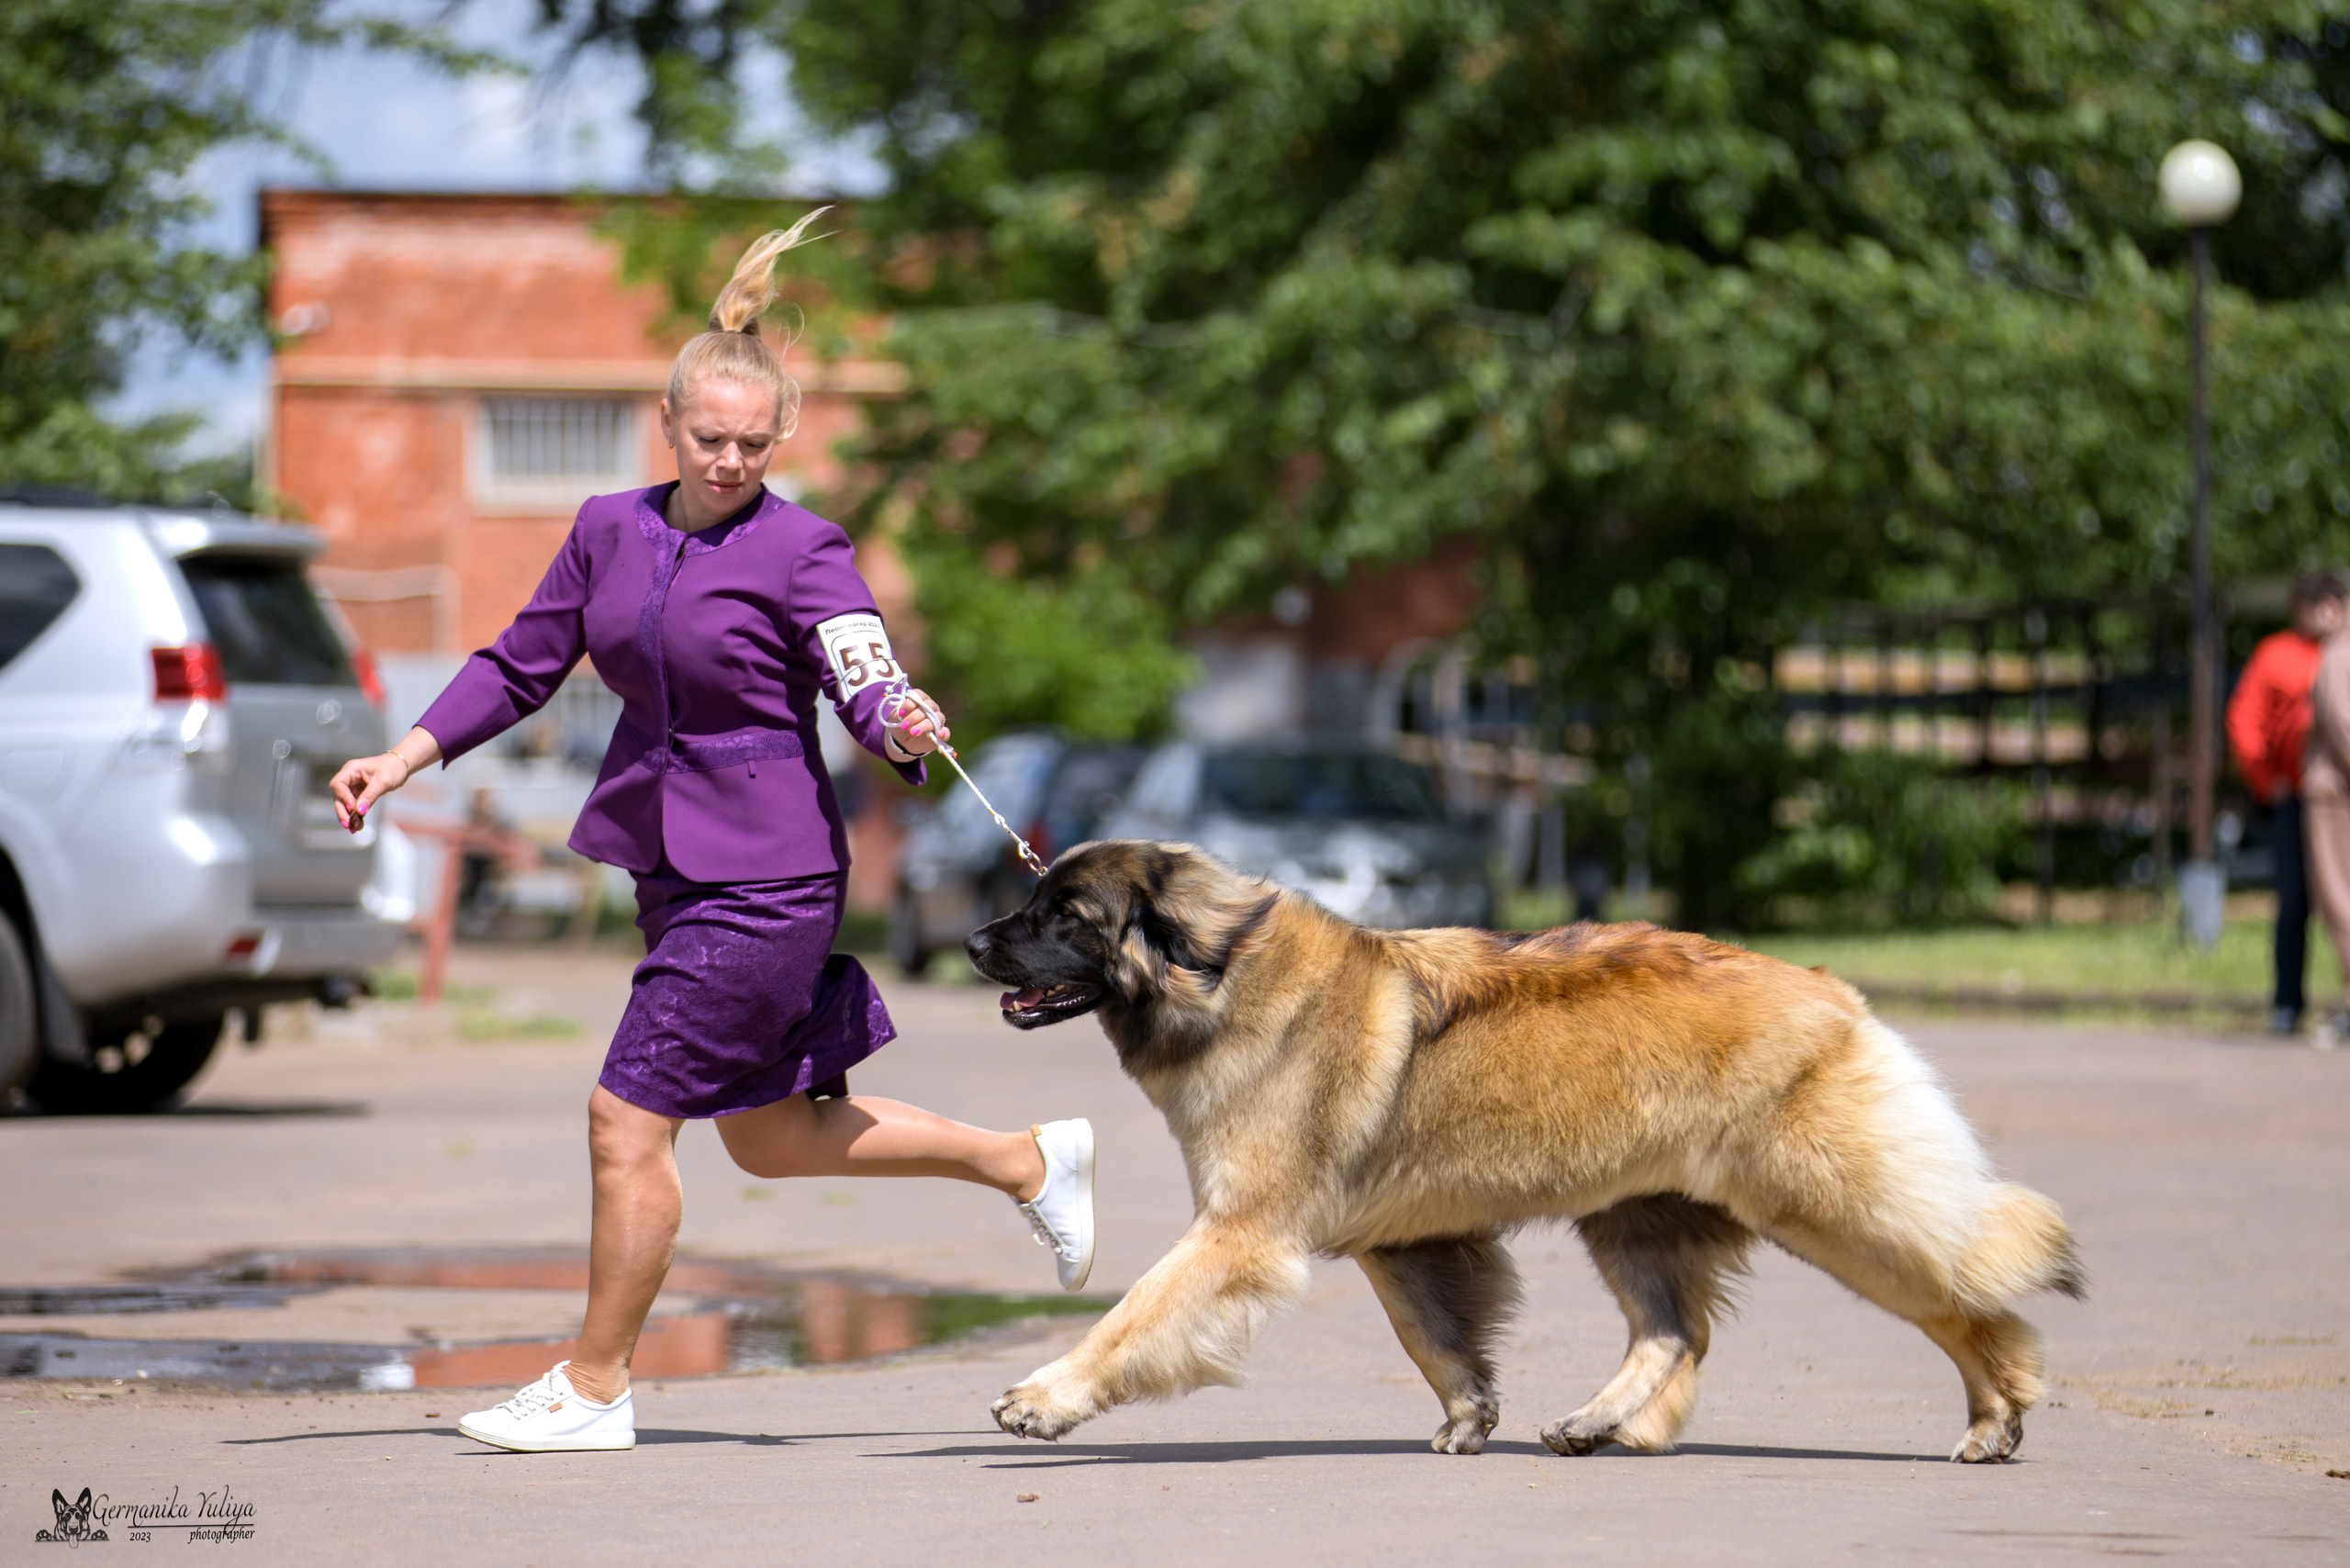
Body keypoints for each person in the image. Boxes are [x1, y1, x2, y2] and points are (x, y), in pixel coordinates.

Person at [329, 214, 1096, 1454]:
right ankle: (1028, 1163)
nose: (731, 460)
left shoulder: (805, 549)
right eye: (709, 438)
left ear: (780, 436)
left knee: (624, 1118)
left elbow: (865, 680)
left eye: (753, 441)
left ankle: (592, 1386)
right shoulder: (604, 529)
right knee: (771, 1136)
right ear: (667, 424)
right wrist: (403, 753)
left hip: (771, 879)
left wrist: (903, 725)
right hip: (669, 866)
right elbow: (522, 665)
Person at [2224, 569, 2348, 1035]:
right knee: (2295, 900)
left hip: (2340, 797)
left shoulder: (2339, 652)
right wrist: (2263, 778)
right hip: (2298, 795)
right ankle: (2287, 1002)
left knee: (2340, 899)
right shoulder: (2277, 655)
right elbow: (2245, 719)